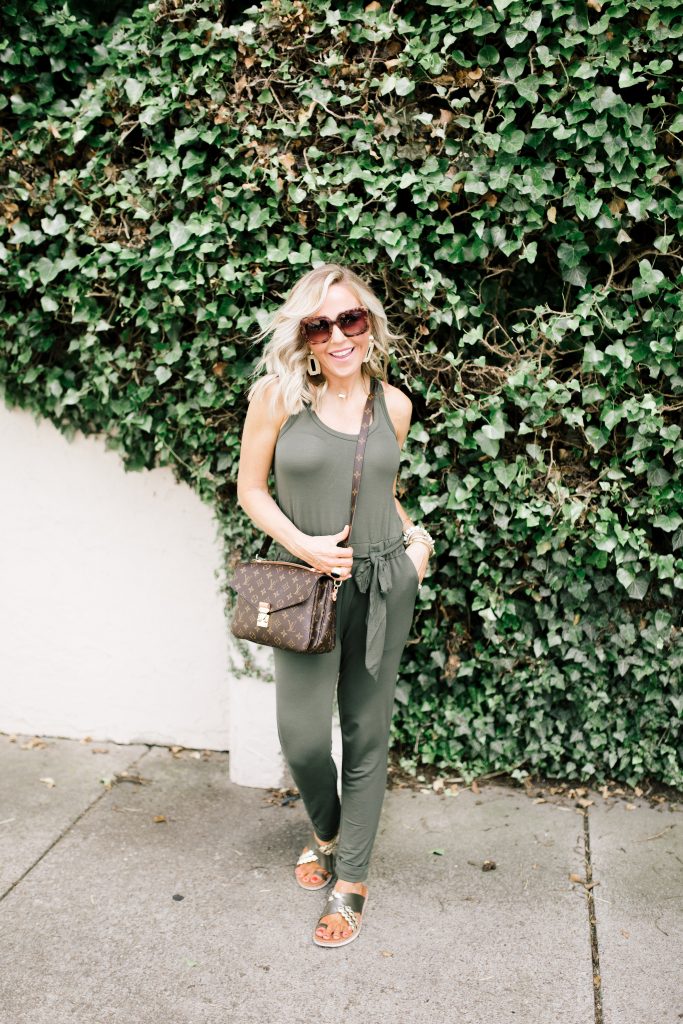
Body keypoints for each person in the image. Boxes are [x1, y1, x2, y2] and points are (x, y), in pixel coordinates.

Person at [236, 263, 435, 948]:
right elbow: (250, 490)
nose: (336, 336)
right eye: (319, 325)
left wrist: (415, 546)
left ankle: (350, 878)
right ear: (305, 334)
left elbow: (379, 484)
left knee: (365, 731)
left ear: (368, 324)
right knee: (299, 736)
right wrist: (305, 547)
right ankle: (324, 830)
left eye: (349, 319)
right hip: (308, 590)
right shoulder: (276, 397)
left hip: (384, 585)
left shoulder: (394, 405)